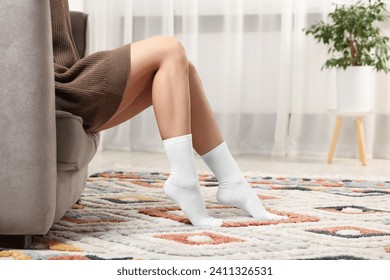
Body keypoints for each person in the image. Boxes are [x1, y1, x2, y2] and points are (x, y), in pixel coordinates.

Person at [51, 0, 285, 226]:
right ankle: (184, 180)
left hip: (66, 75)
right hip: (53, 89)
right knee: (170, 49)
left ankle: (232, 182)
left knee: (183, 69)